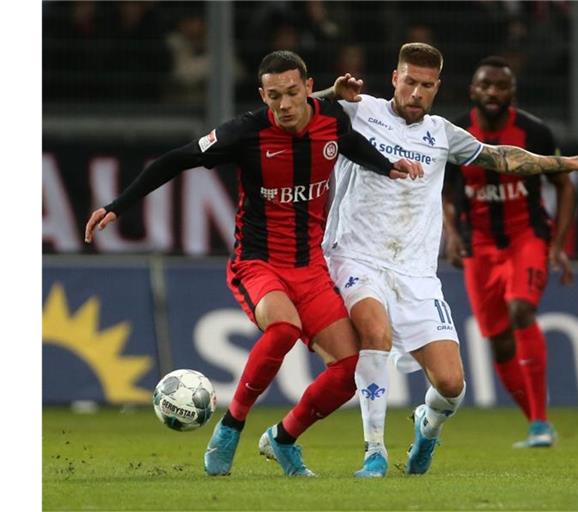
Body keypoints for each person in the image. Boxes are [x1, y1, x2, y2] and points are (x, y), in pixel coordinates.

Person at [84, 50, 422, 478]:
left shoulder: (331, 118)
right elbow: (177, 159)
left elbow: (352, 145)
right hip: (258, 263)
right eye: (275, 96)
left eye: (293, 93)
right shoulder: (244, 133)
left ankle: (283, 439)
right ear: (263, 96)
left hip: (311, 268)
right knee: (284, 329)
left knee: (346, 369)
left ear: (307, 87)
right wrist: (118, 206)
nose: (284, 105)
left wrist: (388, 166)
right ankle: (230, 428)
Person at [316, 42, 578, 477]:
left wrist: (559, 163)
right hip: (357, 256)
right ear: (395, 78)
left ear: (437, 87)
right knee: (374, 333)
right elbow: (293, 110)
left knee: (451, 386)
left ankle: (425, 428)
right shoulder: (359, 110)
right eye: (409, 82)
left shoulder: (442, 133)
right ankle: (373, 450)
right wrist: (331, 95)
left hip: (415, 273)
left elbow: (503, 157)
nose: (416, 93)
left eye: (426, 86)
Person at [443, 56, 575, 448]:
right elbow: (447, 195)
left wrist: (559, 245)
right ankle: (533, 423)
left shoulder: (533, 131)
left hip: (526, 236)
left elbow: (565, 185)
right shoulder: (455, 134)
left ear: (512, 93)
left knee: (521, 309)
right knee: (499, 340)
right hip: (478, 244)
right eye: (486, 86)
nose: (493, 93)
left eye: (500, 87)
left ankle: (540, 423)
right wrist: (451, 234)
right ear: (473, 91)